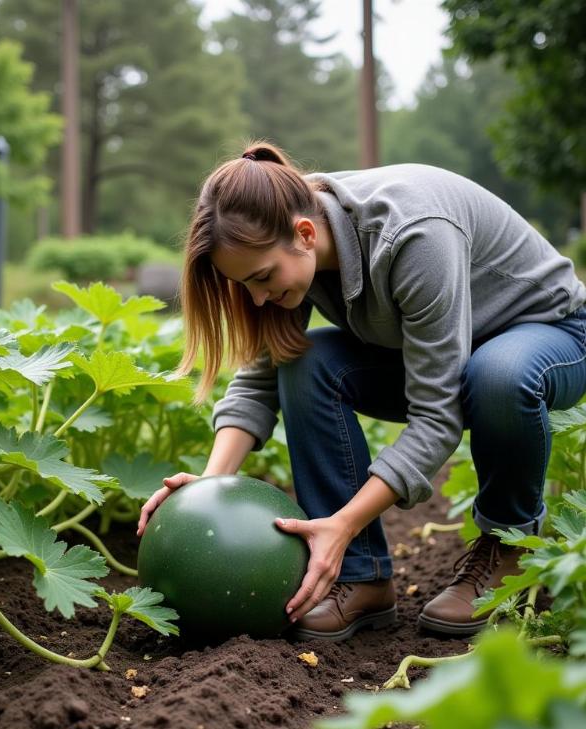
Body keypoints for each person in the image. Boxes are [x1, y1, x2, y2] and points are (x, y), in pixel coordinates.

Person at [137, 141, 586, 642]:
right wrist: (208, 487)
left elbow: (437, 420)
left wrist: (343, 521)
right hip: (446, 348)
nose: (258, 297)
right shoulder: (285, 236)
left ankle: (508, 548)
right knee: (305, 362)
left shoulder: (414, 236)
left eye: (263, 278)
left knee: (496, 374)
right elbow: (261, 378)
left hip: (550, 333)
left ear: (305, 234)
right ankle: (361, 576)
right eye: (244, 286)